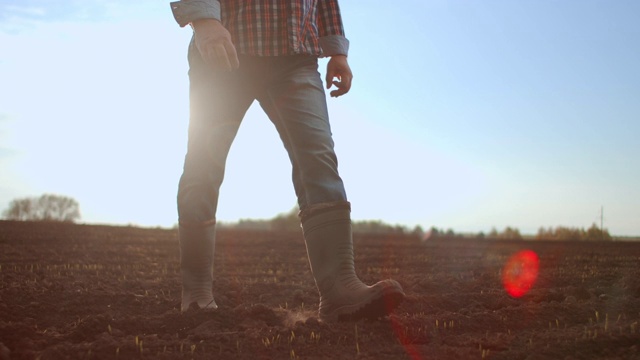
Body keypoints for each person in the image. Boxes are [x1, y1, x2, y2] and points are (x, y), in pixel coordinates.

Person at [170, 0, 404, 322]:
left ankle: (339, 290)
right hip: (226, 45)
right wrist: (203, 20)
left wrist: (337, 49)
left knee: (319, 158)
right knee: (203, 166)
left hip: (296, 56)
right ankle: (196, 294)